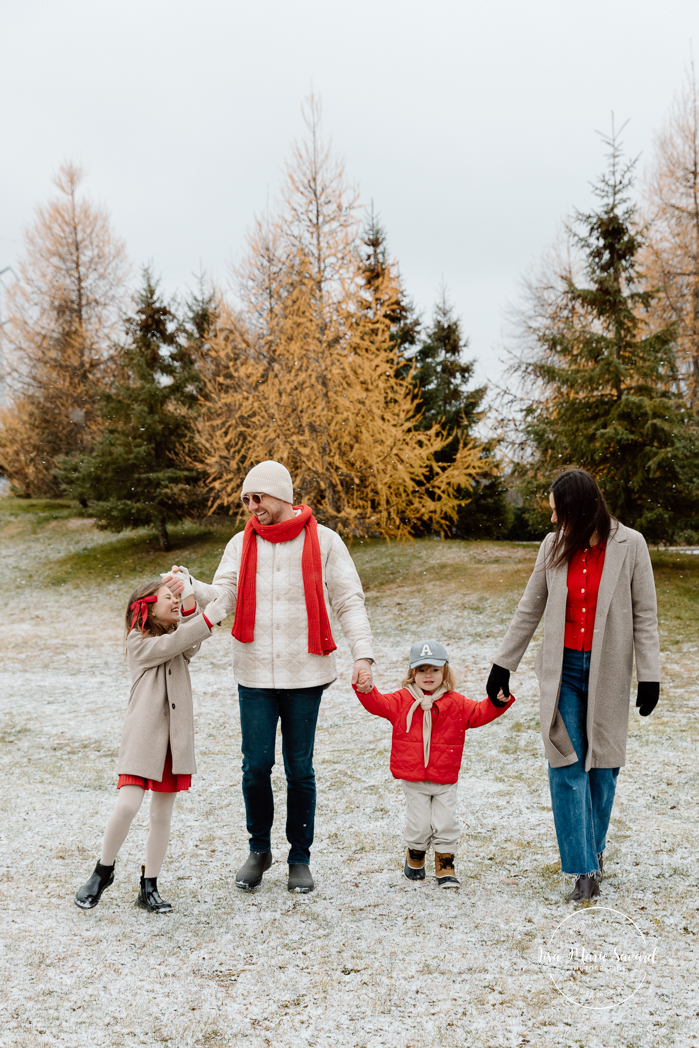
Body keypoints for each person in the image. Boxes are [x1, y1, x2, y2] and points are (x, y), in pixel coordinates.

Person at [163, 460, 374, 894]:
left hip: (306, 674)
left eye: (257, 498)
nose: (251, 506)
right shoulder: (241, 544)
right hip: (254, 673)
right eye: (246, 499)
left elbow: (348, 601)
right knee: (256, 767)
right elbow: (225, 596)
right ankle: (259, 850)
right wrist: (190, 586)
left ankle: (300, 857)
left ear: (281, 496)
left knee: (300, 769)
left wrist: (363, 656)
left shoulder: (327, 542)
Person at [487, 469, 660, 902]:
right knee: (565, 761)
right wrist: (502, 665)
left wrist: (650, 675)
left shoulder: (631, 545)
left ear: (581, 511)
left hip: (609, 672)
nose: (552, 523)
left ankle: (594, 851)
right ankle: (583, 869)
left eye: (557, 513)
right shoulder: (553, 547)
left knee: (603, 766)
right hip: (561, 672)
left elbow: (645, 616)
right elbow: (529, 607)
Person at [74, 578, 227, 913]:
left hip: (175, 738)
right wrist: (207, 617)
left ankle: (149, 886)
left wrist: (187, 589)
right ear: (146, 607)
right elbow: (177, 641)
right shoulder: (138, 642)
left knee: (162, 815)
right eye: (167, 598)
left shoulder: (178, 640)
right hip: (143, 738)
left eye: (175, 598)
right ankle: (103, 870)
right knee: (128, 806)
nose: (174, 602)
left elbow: (186, 640)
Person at [354, 640, 514, 887]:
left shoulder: (456, 703)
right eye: (421, 670)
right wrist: (366, 690)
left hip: (444, 777)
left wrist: (498, 701)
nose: (428, 675)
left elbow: (481, 712)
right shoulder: (401, 701)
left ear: (445, 672)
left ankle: (445, 864)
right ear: (412, 673)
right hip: (414, 778)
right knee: (419, 825)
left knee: (445, 822)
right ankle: (415, 855)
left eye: (435, 670)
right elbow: (379, 705)